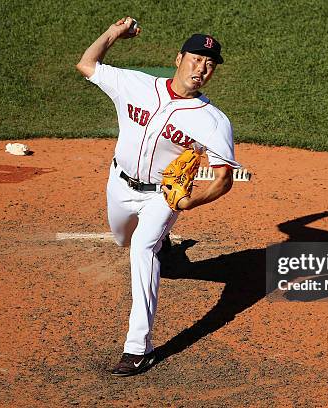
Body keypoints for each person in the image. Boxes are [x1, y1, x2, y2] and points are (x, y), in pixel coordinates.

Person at [76, 17, 240, 377]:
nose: (202, 68)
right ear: (178, 58)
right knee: (123, 238)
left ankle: (138, 349)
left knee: (142, 248)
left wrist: (187, 202)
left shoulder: (213, 121)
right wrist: (115, 33)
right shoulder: (135, 85)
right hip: (119, 184)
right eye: (196, 59)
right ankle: (166, 246)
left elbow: (224, 179)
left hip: (162, 198)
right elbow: (87, 64)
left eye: (210, 64)